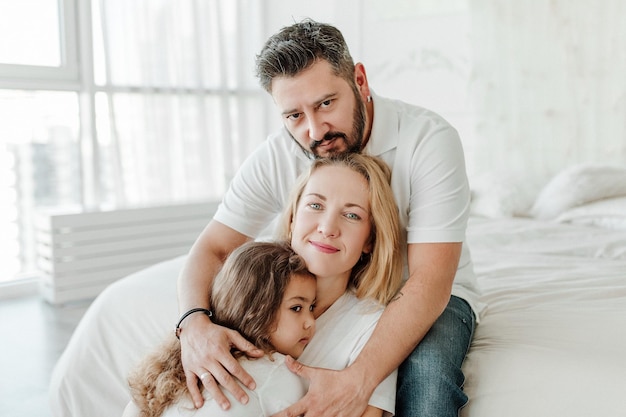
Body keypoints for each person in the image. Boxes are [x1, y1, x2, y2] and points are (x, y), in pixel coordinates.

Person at [176, 19, 482, 417]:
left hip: (428, 291)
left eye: (325, 104)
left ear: (359, 80)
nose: (315, 130)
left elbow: (430, 280)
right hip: (326, 286)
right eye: (294, 116)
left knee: (427, 382)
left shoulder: (428, 140)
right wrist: (193, 324)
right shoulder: (278, 154)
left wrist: (360, 379)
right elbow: (213, 248)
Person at [130, 153, 403, 417]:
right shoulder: (250, 276)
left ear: (370, 240)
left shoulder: (375, 325)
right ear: (294, 218)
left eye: (352, 215)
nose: (328, 227)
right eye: (315, 206)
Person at [122, 241, 316, 417]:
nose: (310, 322)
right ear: (256, 310)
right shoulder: (280, 374)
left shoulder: (180, 363)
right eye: (296, 308)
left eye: (312, 308)